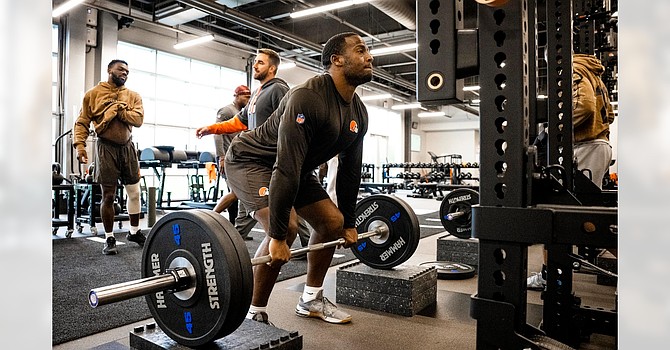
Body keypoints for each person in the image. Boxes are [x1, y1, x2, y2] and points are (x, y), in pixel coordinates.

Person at [224, 32, 373, 324]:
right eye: (361, 50)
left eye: (368, 51)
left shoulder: (359, 112)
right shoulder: (307, 97)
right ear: (337, 60)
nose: (369, 57)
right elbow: (285, 166)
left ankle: (311, 300)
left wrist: (350, 223)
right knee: (287, 228)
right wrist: (278, 237)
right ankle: (254, 312)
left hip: (295, 167)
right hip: (252, 161)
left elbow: (350, 171)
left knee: (332, 223)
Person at [527, 54, 616, 290]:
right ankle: (549, 274)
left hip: (584, 147)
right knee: (566, 211)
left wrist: (551, 131)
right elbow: (609, 114)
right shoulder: (591, 70)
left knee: (572, 214)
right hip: (593, 145)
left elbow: (584, 107)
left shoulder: (574, 67)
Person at [196, 48, 289, 241]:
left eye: (260, 62)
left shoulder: (278, 89)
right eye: (255, 61)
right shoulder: (257, 93)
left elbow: (289, 124)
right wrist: (211, 128)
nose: (254, 65)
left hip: (271, 161)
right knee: (282, 225)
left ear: (272, 68)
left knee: (285, 225)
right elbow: (239, 122)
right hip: (256, 162)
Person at [73, 59, 146, 255]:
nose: (125, 73)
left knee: (135, 193)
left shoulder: (132, 96)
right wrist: (80, 146)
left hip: (128, 147)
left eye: (127, 71)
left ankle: (134, 231)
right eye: (121, 69)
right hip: (106, 148)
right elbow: (82, 122)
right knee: (108, 196)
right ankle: (109, 237)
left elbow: (138, 119)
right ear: (109, 70)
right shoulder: (92, 95)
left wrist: (117, 109)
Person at [211, 85, 251, 225]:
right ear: (236, 96)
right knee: (235, 192)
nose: (248, 99)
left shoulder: (242, 113)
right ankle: (212, 217)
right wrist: (221, 157)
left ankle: (235, 226)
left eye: (249, 97)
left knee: (237, 193)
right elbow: (217, 134)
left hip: (238, 159)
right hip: (227, 158)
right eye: (246, 96)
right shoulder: (227, 110)